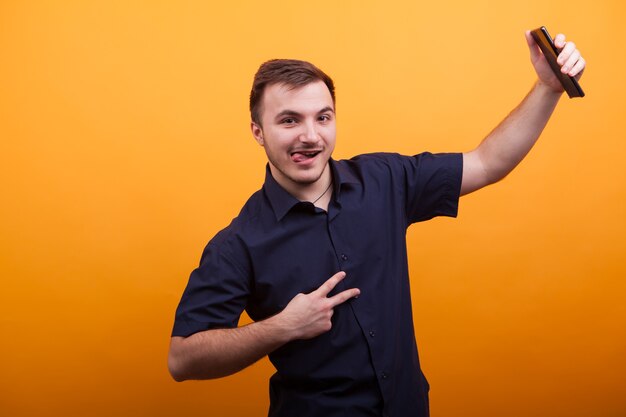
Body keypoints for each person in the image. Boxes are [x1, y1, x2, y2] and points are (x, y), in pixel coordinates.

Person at [168, 30, 586, 417]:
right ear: (258, 132)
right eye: (289, 120)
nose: (310, 136)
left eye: (323, 117)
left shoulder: (385, 180)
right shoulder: (239, 242)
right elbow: (183, 358)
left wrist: (548, 88)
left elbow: (487, 162)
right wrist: (283, 326)